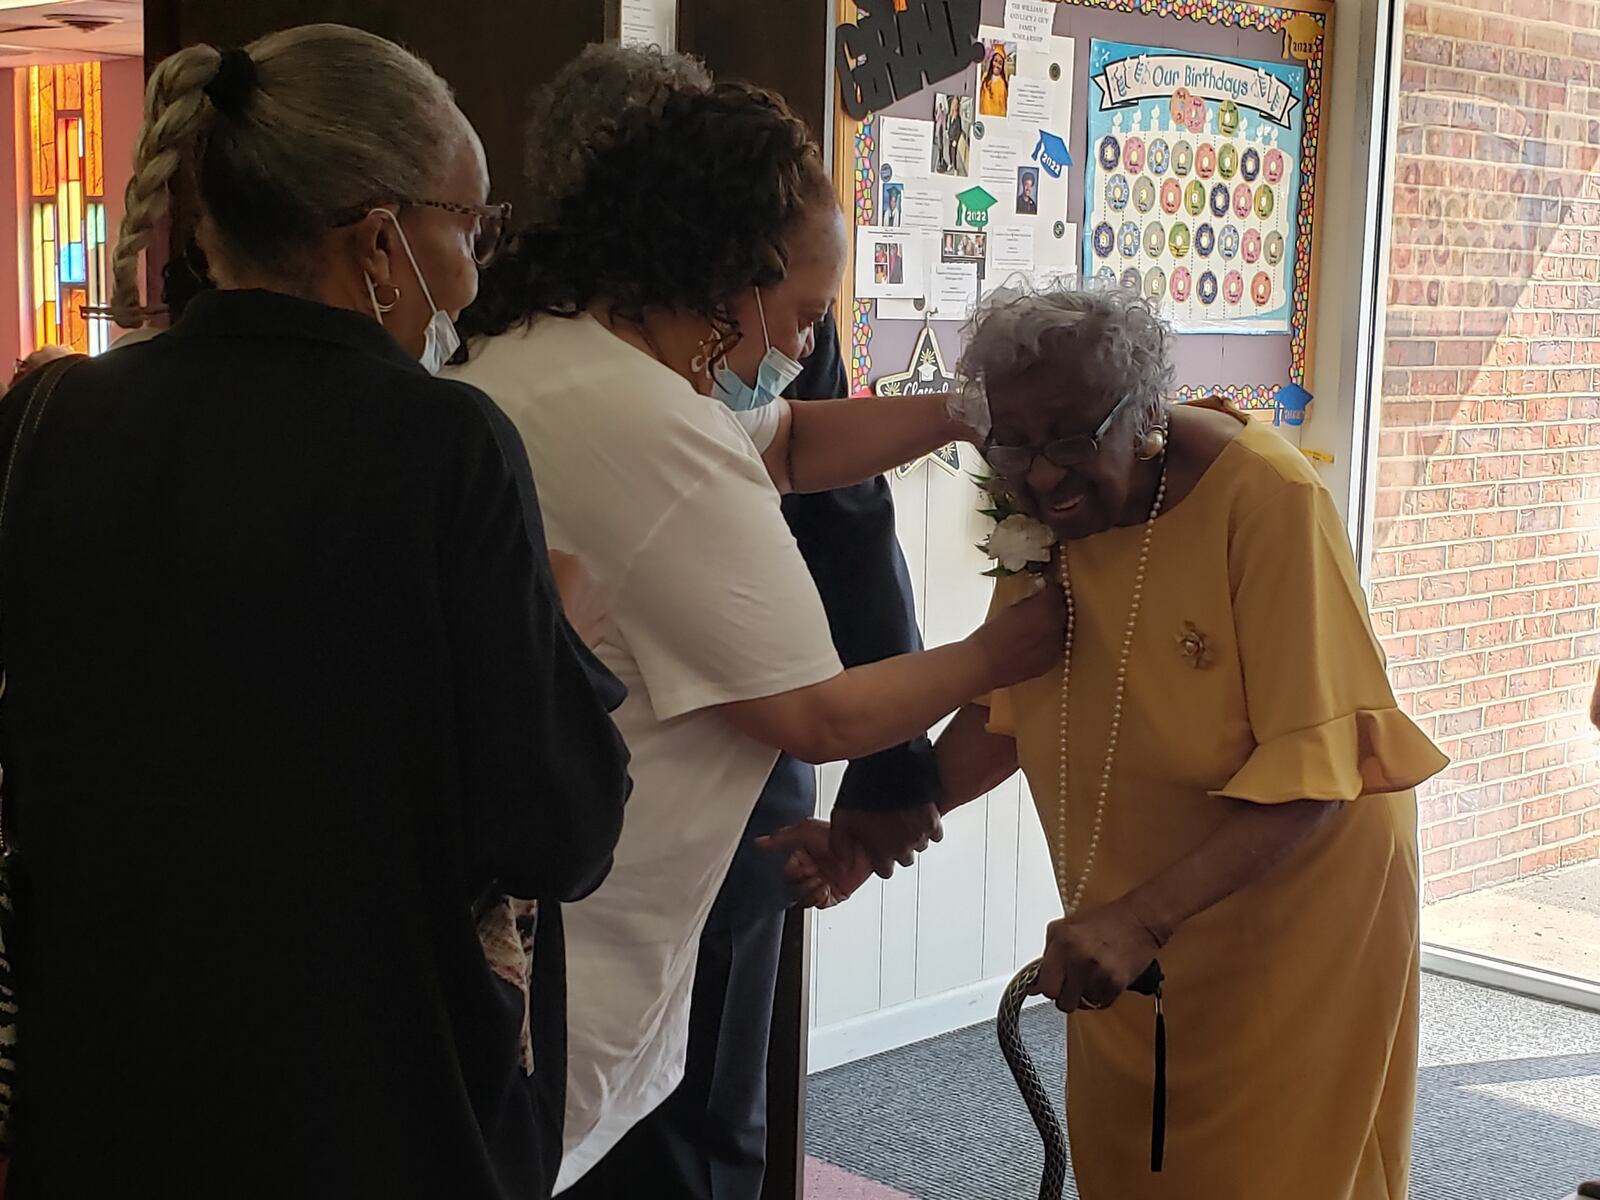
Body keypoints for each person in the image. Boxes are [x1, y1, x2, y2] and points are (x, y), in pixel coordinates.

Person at [0, 25, 629, 1200]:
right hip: (371, 1097)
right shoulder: (442, 446)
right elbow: (559, 831)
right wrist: (563, 633)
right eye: (468, 225)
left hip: (102, 1084)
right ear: (381, 238)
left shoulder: (56, 420)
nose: (477, 263)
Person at [450, 79, 1062, 1195]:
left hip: (511, 884)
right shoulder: (648, 430)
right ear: (735, 284)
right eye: (809, 313)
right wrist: (1008, 651)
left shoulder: (554, 350)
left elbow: (782, 444)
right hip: (592, 911)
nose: (810, 341)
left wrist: (971, 407)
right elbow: (818, 716)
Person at [781, 285, 1449, 1199]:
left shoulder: (1267, 499)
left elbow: (1322, 770)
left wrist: (1141, 919)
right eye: (1011, 443)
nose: (1042, 473)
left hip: (1293, 913)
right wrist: (873, 829)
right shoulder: (1048, 520)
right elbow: (1005, 707)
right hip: (1125, 920)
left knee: (1269, 1173)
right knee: (1135, 1161)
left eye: (1068, 439)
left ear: (1141, 416)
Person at [979, 46, 1009, 117]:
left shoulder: (1003, 83)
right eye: (995, 61)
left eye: (1000, 63)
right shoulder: (985, 78)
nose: (997, 65)